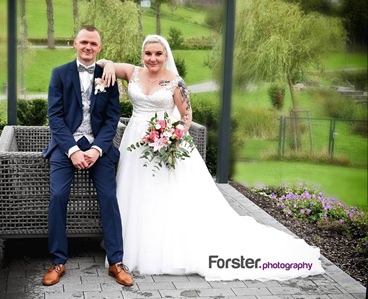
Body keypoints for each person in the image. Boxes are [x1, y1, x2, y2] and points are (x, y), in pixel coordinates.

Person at [96, 34, 325, 281]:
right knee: (136, 191)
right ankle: (132, 246)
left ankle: (168, 250)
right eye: (148, 53)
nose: (153, 58)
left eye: (158, 54)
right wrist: (108, 64)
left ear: (166, 55)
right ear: (142, 54)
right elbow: (101, 63)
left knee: (166, 194)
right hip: (136, 143)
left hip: (166, 143)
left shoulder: (176, 82)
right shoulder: (133, 73)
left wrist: (173, 136)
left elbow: (186, 116)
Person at [42, 25, 133, 287]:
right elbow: (55, 117)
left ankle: (116, 261)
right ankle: (58, 261)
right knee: (58, 195)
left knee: (108, 197)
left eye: (93, 44)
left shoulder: (108, 74)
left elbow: (112, 117)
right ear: (75, 43)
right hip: (65, 147)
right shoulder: (59, 74)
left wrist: (96, 149)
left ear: (100, 48)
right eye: (84, 42)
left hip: (98, 147)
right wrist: (72, 150)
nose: (88, 47)